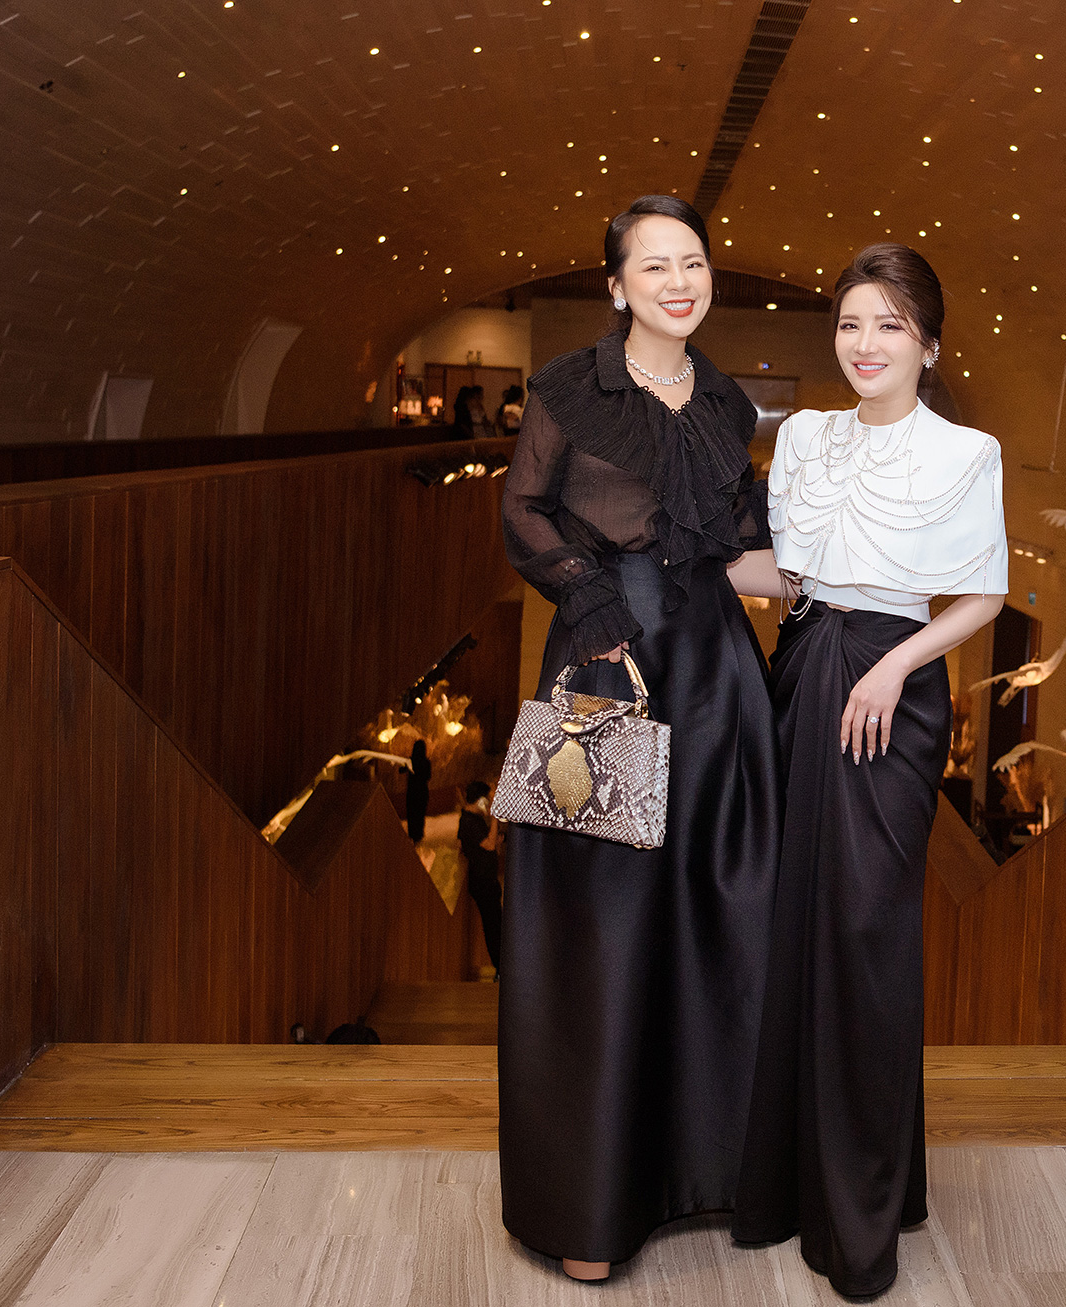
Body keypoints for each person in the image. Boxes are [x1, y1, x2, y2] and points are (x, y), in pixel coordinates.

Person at [498, 194, 780, 1284]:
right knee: (603, 932)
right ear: (617, 285)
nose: (678, 280)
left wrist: (858, 585)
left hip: (714, 678)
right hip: (606, 669)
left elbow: (741, 547)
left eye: (693, 261)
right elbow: (523, 510)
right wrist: (589, 597)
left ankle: (710, 1176)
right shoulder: (570, 387)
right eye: (653, 264)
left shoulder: (727, 401)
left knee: (719, 916)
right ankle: (593, 1205)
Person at [729, 244, 1008, 1298]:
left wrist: (894, 664)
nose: (866, 343)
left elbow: (981, 594)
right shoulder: (805, 433)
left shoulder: (966, 450)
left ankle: (861, 1216)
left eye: (890, 324)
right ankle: (784, 1187)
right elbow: (783, 571)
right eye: (851, 322)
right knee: (790, 922)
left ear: (927, 344)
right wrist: (671, 552)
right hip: (803, 663)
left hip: (891, 686)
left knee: (865, 934)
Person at [456, 780, 501, 975]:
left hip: (487, 881)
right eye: (487, 800)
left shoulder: (472, 819)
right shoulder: (469, 821)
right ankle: (500, 967)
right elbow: (489, 845)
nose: (489, 804)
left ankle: (501, 966)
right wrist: (495, 818)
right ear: (480, 800)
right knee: (493, 927)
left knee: (496, 925)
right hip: (483, 883)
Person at [404, 739, 431, 842]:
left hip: (412, 792)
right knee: (420, 814)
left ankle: (412, 835)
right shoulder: (426, 762)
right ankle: (419, 835)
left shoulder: (410, 761)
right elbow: (428, 776)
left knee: (411, 814)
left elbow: (401, 770)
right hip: (422, 791)